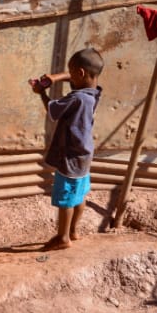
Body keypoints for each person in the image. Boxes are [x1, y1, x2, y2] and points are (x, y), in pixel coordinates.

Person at [29, 48, 104, 251]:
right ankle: (73, 231)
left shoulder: (76, 98)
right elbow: (77, 75)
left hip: (70, 156)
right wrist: (54, 78)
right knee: (79, 195)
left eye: (71, 72)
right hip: (84, 155)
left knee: (66, 200)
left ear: (80, 73)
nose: (69, 76)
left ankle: (63, 237)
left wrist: (41, 92)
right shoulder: (94, 94)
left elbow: (53, 110)